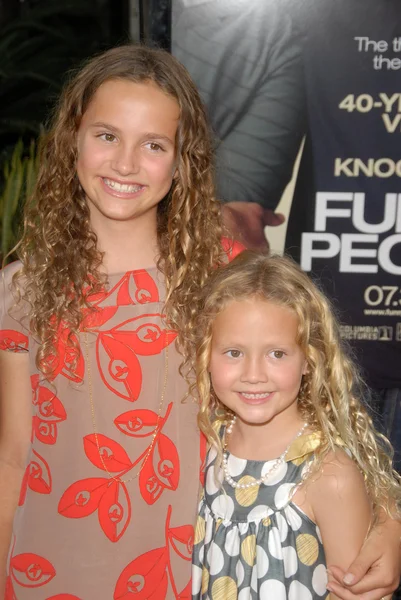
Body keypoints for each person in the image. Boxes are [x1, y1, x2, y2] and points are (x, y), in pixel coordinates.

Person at [0, 43, 399, 600]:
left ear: (183, 160)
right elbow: (14, 454)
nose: (125, 163)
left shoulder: (228, 278)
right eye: (107, 135)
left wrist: (388, 519)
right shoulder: (20, 288)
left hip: (187, 573)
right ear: (72, 140)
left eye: (154, 145)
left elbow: (324, 416)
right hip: (42, 569)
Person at [192, 250, 401, 599]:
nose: (254, 375)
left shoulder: (329, 474)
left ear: (309, 359)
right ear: (205, 355)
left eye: (277, 353)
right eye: (233, 352)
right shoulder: (207, 442)